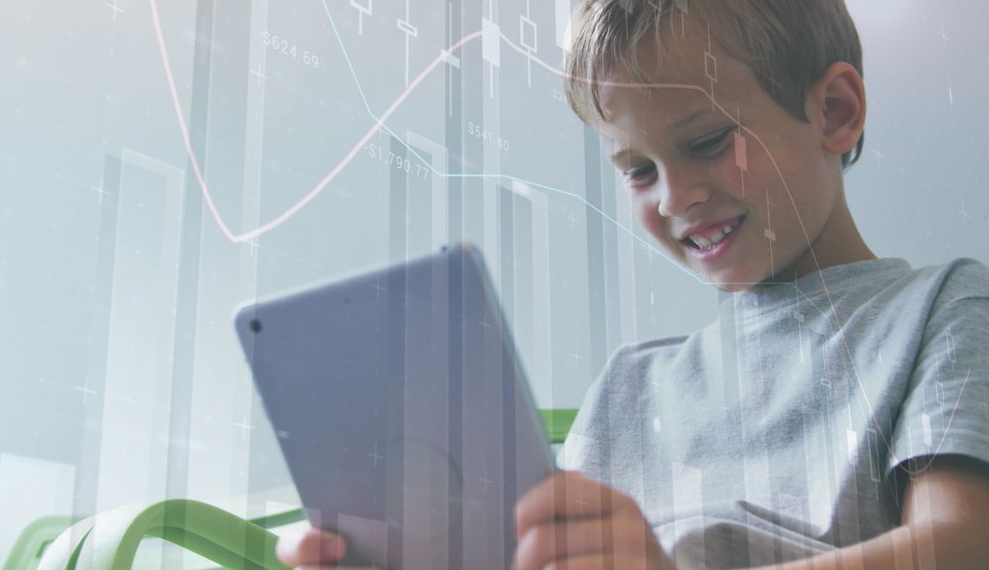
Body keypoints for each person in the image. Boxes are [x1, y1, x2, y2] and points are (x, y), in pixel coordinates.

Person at [277, 0, 989, 567]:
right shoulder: (627, 388)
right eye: (640, 171)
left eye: (707, 142)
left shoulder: (945, 310)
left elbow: (958, 548)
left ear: (834, 111)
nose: (675, 198)